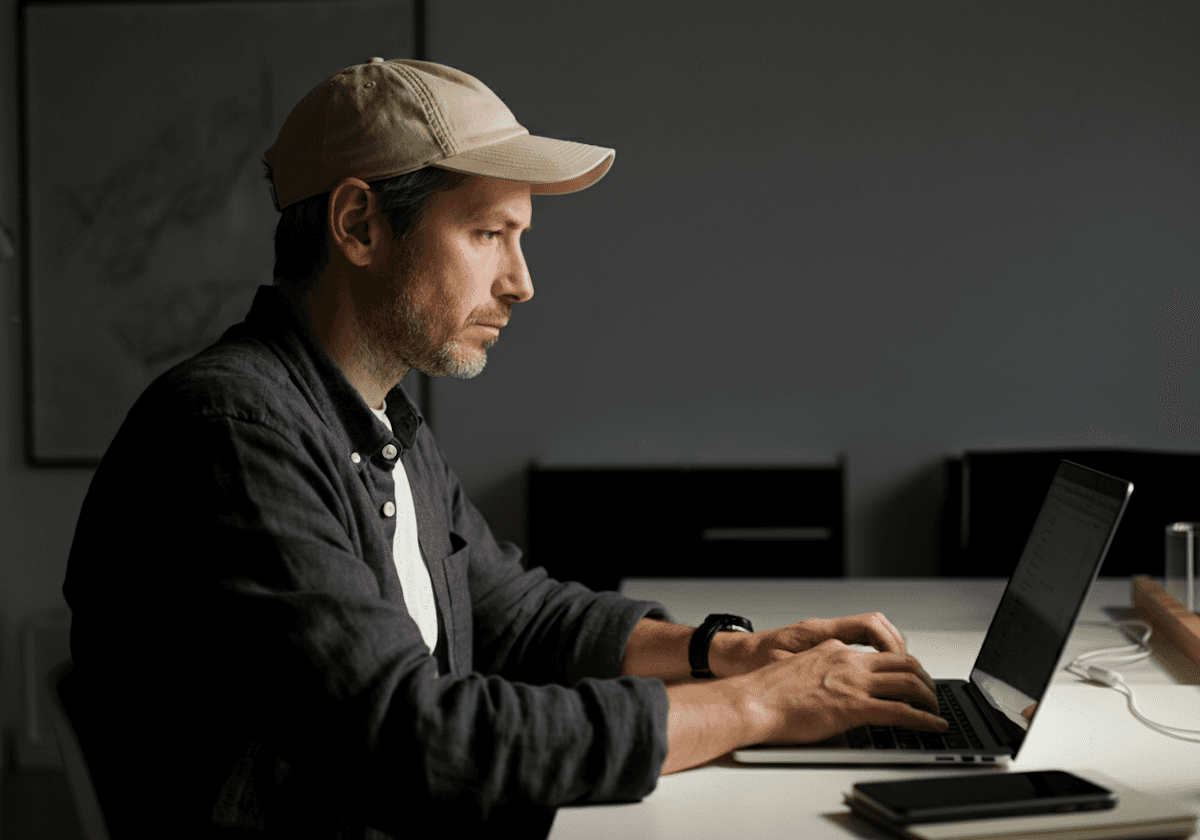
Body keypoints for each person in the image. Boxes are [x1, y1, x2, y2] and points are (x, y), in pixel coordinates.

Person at [62, 58, 947, 838]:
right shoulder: (235, 436)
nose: (521, 283)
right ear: (359, 225)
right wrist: (756, 707)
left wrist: (727, 654)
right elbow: (419, 737)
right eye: (489, 234)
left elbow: (517, 615)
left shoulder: (380, 423)